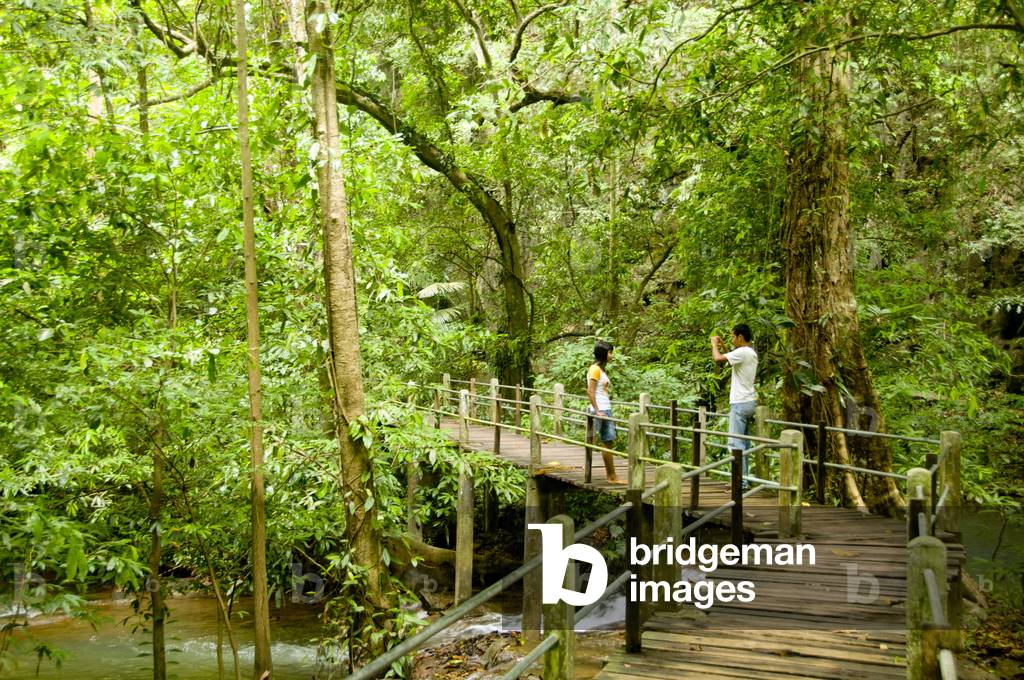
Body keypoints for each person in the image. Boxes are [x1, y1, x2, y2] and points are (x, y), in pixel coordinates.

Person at [711, 324, 759, 482]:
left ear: (740, 337)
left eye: (733, 337)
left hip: (739, 403)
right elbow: (731, 356)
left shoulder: (742, 352)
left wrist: (714, 345)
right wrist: (723, 345)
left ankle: (739, 482)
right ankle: (743, 481)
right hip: (749, 401)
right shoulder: (750, 352)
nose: (732, 340)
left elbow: (718, 359)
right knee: (743, 444)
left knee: (735, 443)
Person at [587, 340, 623, 484]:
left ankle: (608, 474)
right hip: (602, 409)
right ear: (603, 354)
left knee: (604, 441)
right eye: (610, 352)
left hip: (603, 408)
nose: (611, 355)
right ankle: (611, 476)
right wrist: (598, 411)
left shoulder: (599, 369)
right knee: (608, 442)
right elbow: (590, 391)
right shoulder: (595, 369)